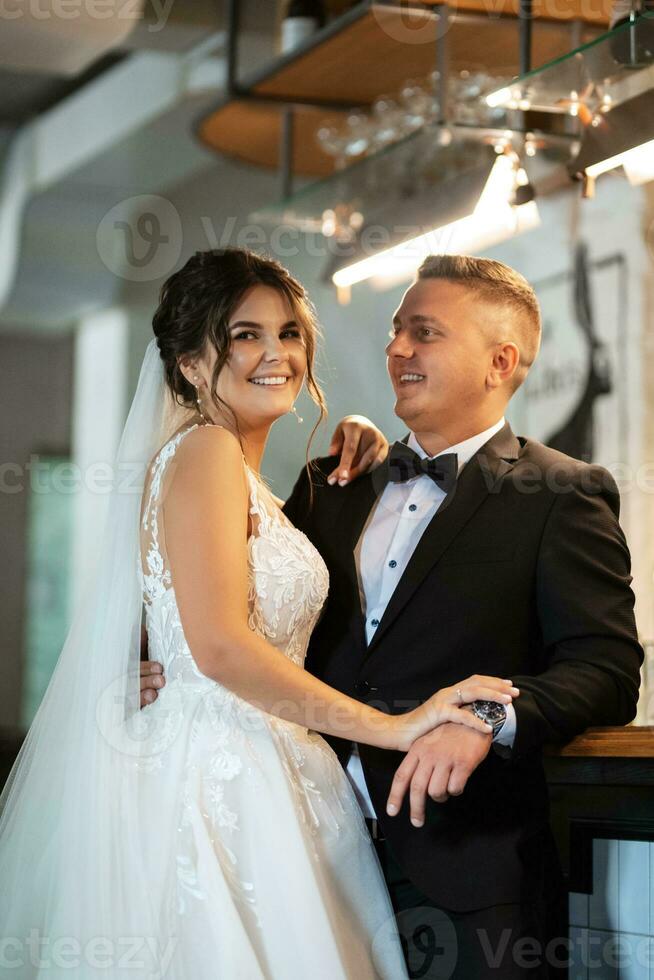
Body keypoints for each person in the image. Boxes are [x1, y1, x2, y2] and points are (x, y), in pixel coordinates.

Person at [0, 248, 518, 980]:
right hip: (221, 782)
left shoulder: (251, 483)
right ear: (187, 363)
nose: (276, 353)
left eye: (288, 333)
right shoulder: (206, 450)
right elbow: (218, 649)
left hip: (272, 774)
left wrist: (363, 434)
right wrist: (393, 727)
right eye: (244, 335)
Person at [142, 253, 644, 980]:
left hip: (468, 868)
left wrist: (485, 718)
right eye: (395, 330)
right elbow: (226, 601)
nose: (397, 349)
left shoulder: (562, 494)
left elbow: (605, 669)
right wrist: (150, 659)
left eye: (425, 333)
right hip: (294, 843)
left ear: (499, 361)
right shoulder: (331, 480)